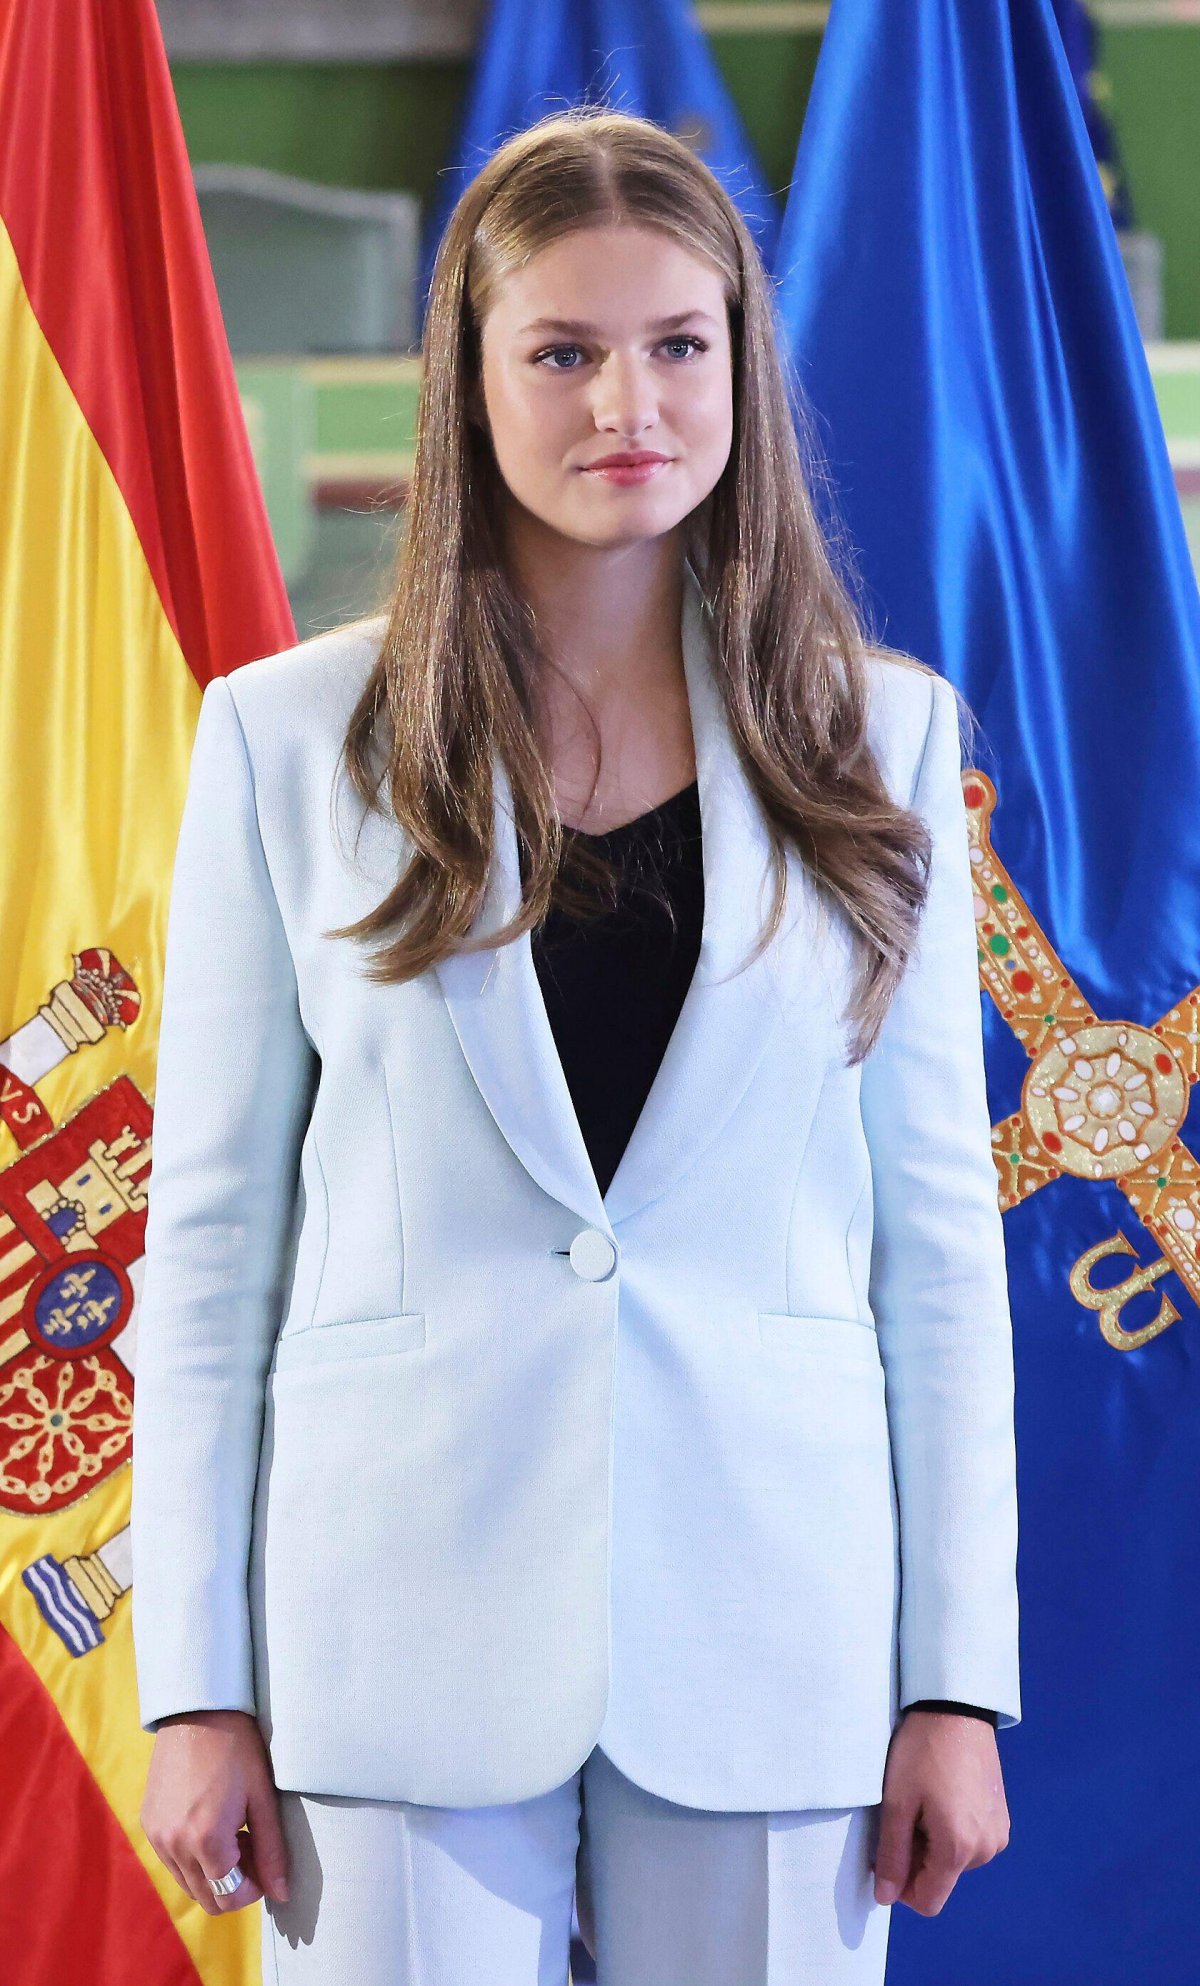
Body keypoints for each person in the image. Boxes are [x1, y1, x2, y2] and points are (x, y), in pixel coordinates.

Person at [131, 106, 1020, 1986]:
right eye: (565, 350)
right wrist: (195, 1684)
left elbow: (940, 1255)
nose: (631, 398)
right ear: (469, 376)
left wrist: (956, 1679)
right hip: (387, 1643)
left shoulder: (887, 743)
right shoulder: (285, 743)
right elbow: (207, 1253)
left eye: (679, 345)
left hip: (778, 1628)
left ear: (740, 366)